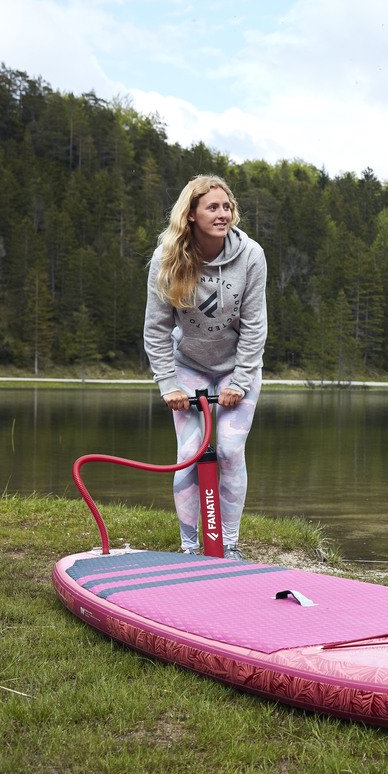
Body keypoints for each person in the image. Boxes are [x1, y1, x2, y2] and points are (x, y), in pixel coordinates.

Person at [143, 175, 268, 559]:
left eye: (227, 207)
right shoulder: (166, 258)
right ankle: (188, 548)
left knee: (229, 450)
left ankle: (229, 545)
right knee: (190, 453)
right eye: (212, 207)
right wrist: (168, 384)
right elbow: (156, 328)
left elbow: (255, 326)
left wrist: (241, 381)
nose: (222, 214)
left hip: (237, 367)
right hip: (189, 366)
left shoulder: (251, 256)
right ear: (191, 214)